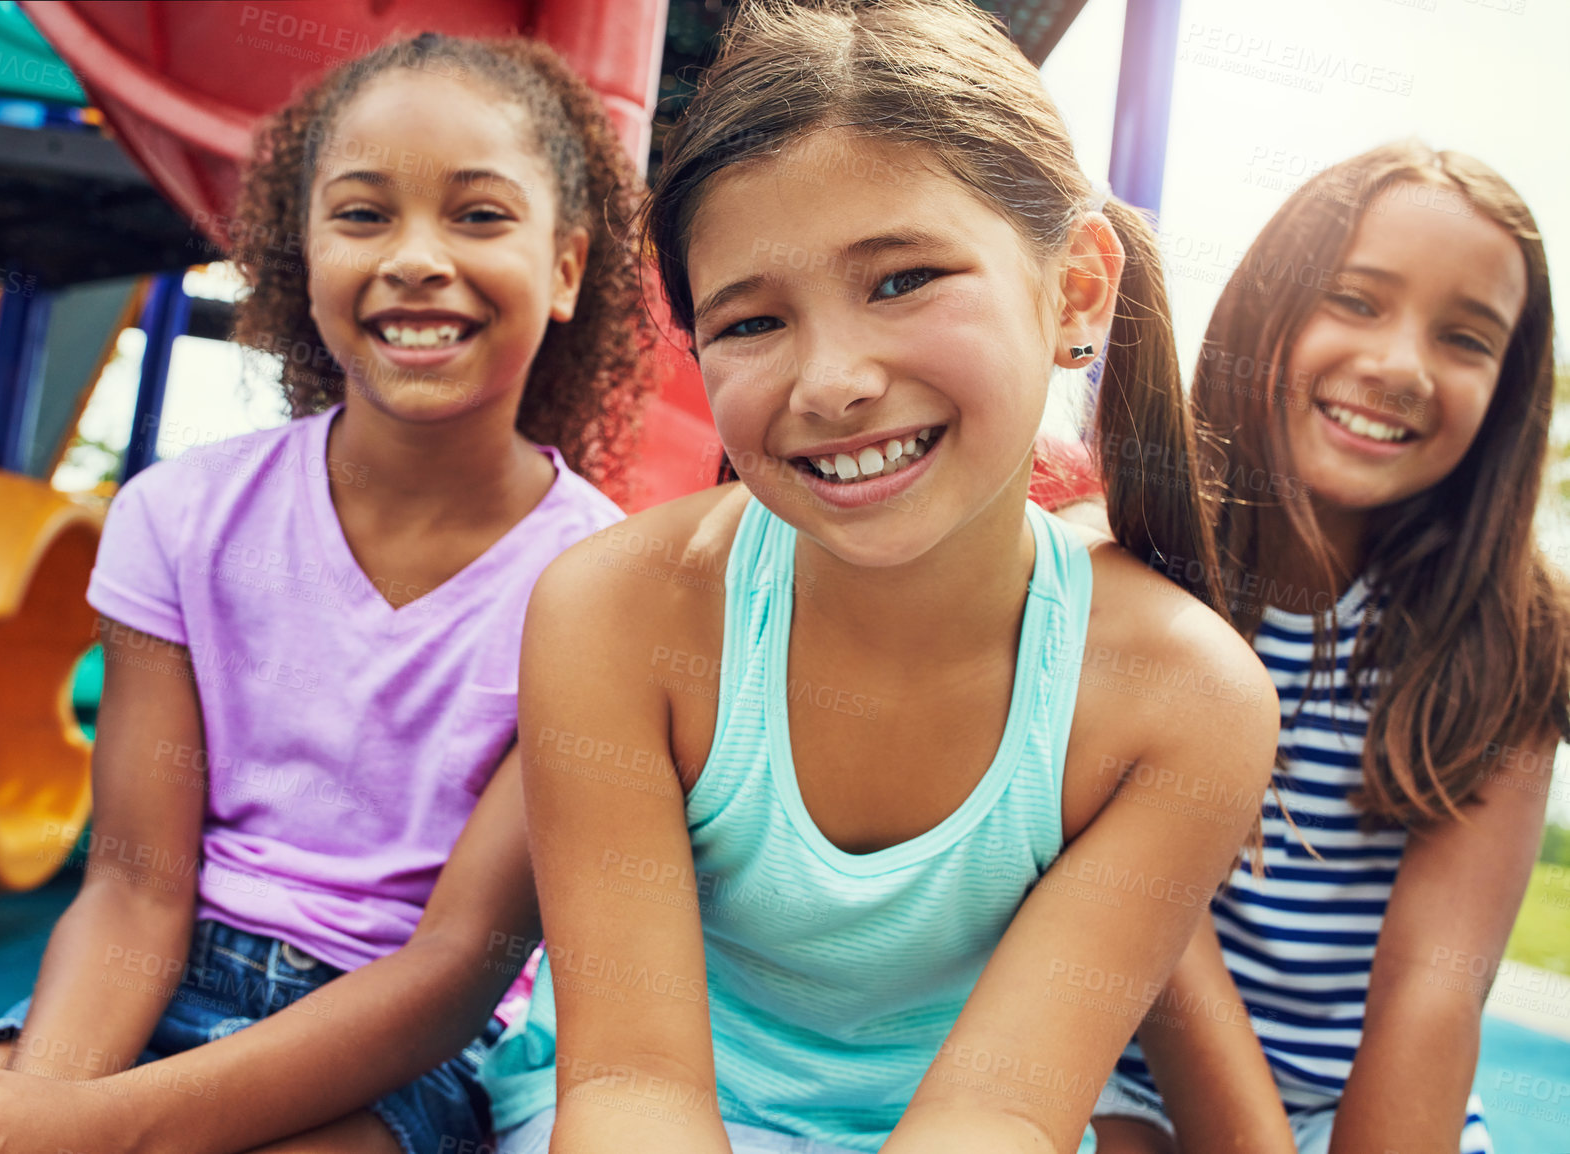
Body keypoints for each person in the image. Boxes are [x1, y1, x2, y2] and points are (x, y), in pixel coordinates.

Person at [477, 2, 1279, 1151]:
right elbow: (635, 1089)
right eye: (751, 320)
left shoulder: (1185, 698)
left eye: (901, 279)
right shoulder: (612, 612)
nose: (833, 380)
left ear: (1079, 291)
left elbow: (998, 1114)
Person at [0, 31, 653, 1154]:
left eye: (478, 215)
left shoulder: (602, 590)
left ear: (566, 267)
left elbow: (450, 970)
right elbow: (134, 887)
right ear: (297, 259)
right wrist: (49, 1103)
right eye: (364, 215)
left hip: (391, 1045)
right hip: (161, 976)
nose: (416, 257)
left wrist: (98, 1128)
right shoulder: (181, 518)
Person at [1093, 142, 1570, 1154]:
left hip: (1346, 1103)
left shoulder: (1514, 639)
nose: (1400, 365)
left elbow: (1433, 991)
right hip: (1108, 1069)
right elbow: (1156, 941)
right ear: (1267, 303)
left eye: (1466, 337)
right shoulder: (1128, 574)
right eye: (1354, 300)